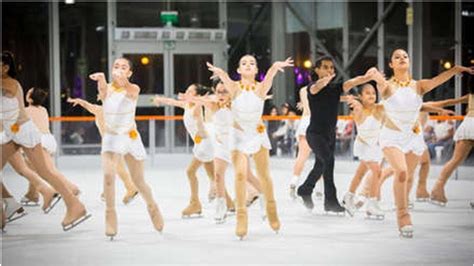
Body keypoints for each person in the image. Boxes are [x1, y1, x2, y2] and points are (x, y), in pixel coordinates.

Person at [373, 48, 473, 238]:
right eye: (397, 57)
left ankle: (403, 200)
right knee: (401, 172)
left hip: (413, 137)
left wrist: (455, 69)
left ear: (409, 61)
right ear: (391, 64)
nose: (402, 58)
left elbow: (438, 80)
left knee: (408, 175)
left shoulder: (419, 86)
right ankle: (402, 216)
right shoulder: (387, 86)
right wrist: (375, 76)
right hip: (391, 136)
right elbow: (380, 84)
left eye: (405, 56)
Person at [1, 51, 90, 231]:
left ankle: (75, 205)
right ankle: (6, 209)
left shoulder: (10, 83)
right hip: (12, 133)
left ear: (5, 67)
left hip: (24, 131)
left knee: (45, 171)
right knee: (40, 170)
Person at [207, 55, 293, 239]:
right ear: (238, 70)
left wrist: (275, 66)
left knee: (264, 176)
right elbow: (225, 79)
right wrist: (220, 72)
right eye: (244, 63)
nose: (248, 65)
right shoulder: (234, 88)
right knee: (239, 174)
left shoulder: (261, 88)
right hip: (238, 136)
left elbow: (270, 76)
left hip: (257, 134)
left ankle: (272, 211)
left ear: (256, 70)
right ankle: (241, 218)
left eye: (252, 63)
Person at [89, 57, 164, 239]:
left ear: (129, 73)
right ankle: (110, 215)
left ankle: (152, 206)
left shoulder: (134, 88)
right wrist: (100, 79)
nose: (119, 69)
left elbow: (129, 91)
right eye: (116, 66)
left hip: (130, 137)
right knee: (108, 176)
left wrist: (122, 80)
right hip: (112, 138)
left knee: (138, 181)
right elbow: (103, 91)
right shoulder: (107, 88)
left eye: (123, 67)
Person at [66, 96, 139, 204]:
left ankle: (117, 190)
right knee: (117, 168)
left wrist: (80, 101)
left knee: (112, 168)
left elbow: (88, 106)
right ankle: (126, 188)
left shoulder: (101, 110)